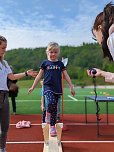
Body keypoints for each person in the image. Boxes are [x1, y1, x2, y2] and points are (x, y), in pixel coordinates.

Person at [28, 42, 75, 137]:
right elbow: (39, 76)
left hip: (57, 88)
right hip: (48, 87)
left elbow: (66, 76)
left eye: (55, 52)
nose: (53, 54)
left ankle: (52, 126)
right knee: (51, 103)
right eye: (51, 52)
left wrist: (71, 86)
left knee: (55, 108)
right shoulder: (45, 63)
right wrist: (33, 87)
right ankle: (47, 113)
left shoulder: (60, 64)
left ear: (58, 53)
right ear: (47, 52)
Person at [0, 35, 37, 152]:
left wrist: (26, 73)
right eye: (2, 48)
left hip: (4, 95)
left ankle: (2, 148)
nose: (4, 50)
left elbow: (11, 76)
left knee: (5, 126)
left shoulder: (5, 63)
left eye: (5, 48)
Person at [87, 2, 114, 82]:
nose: (98, 42)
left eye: (96, 37)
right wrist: (102, 73)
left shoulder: (112, 39)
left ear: (100, 28)